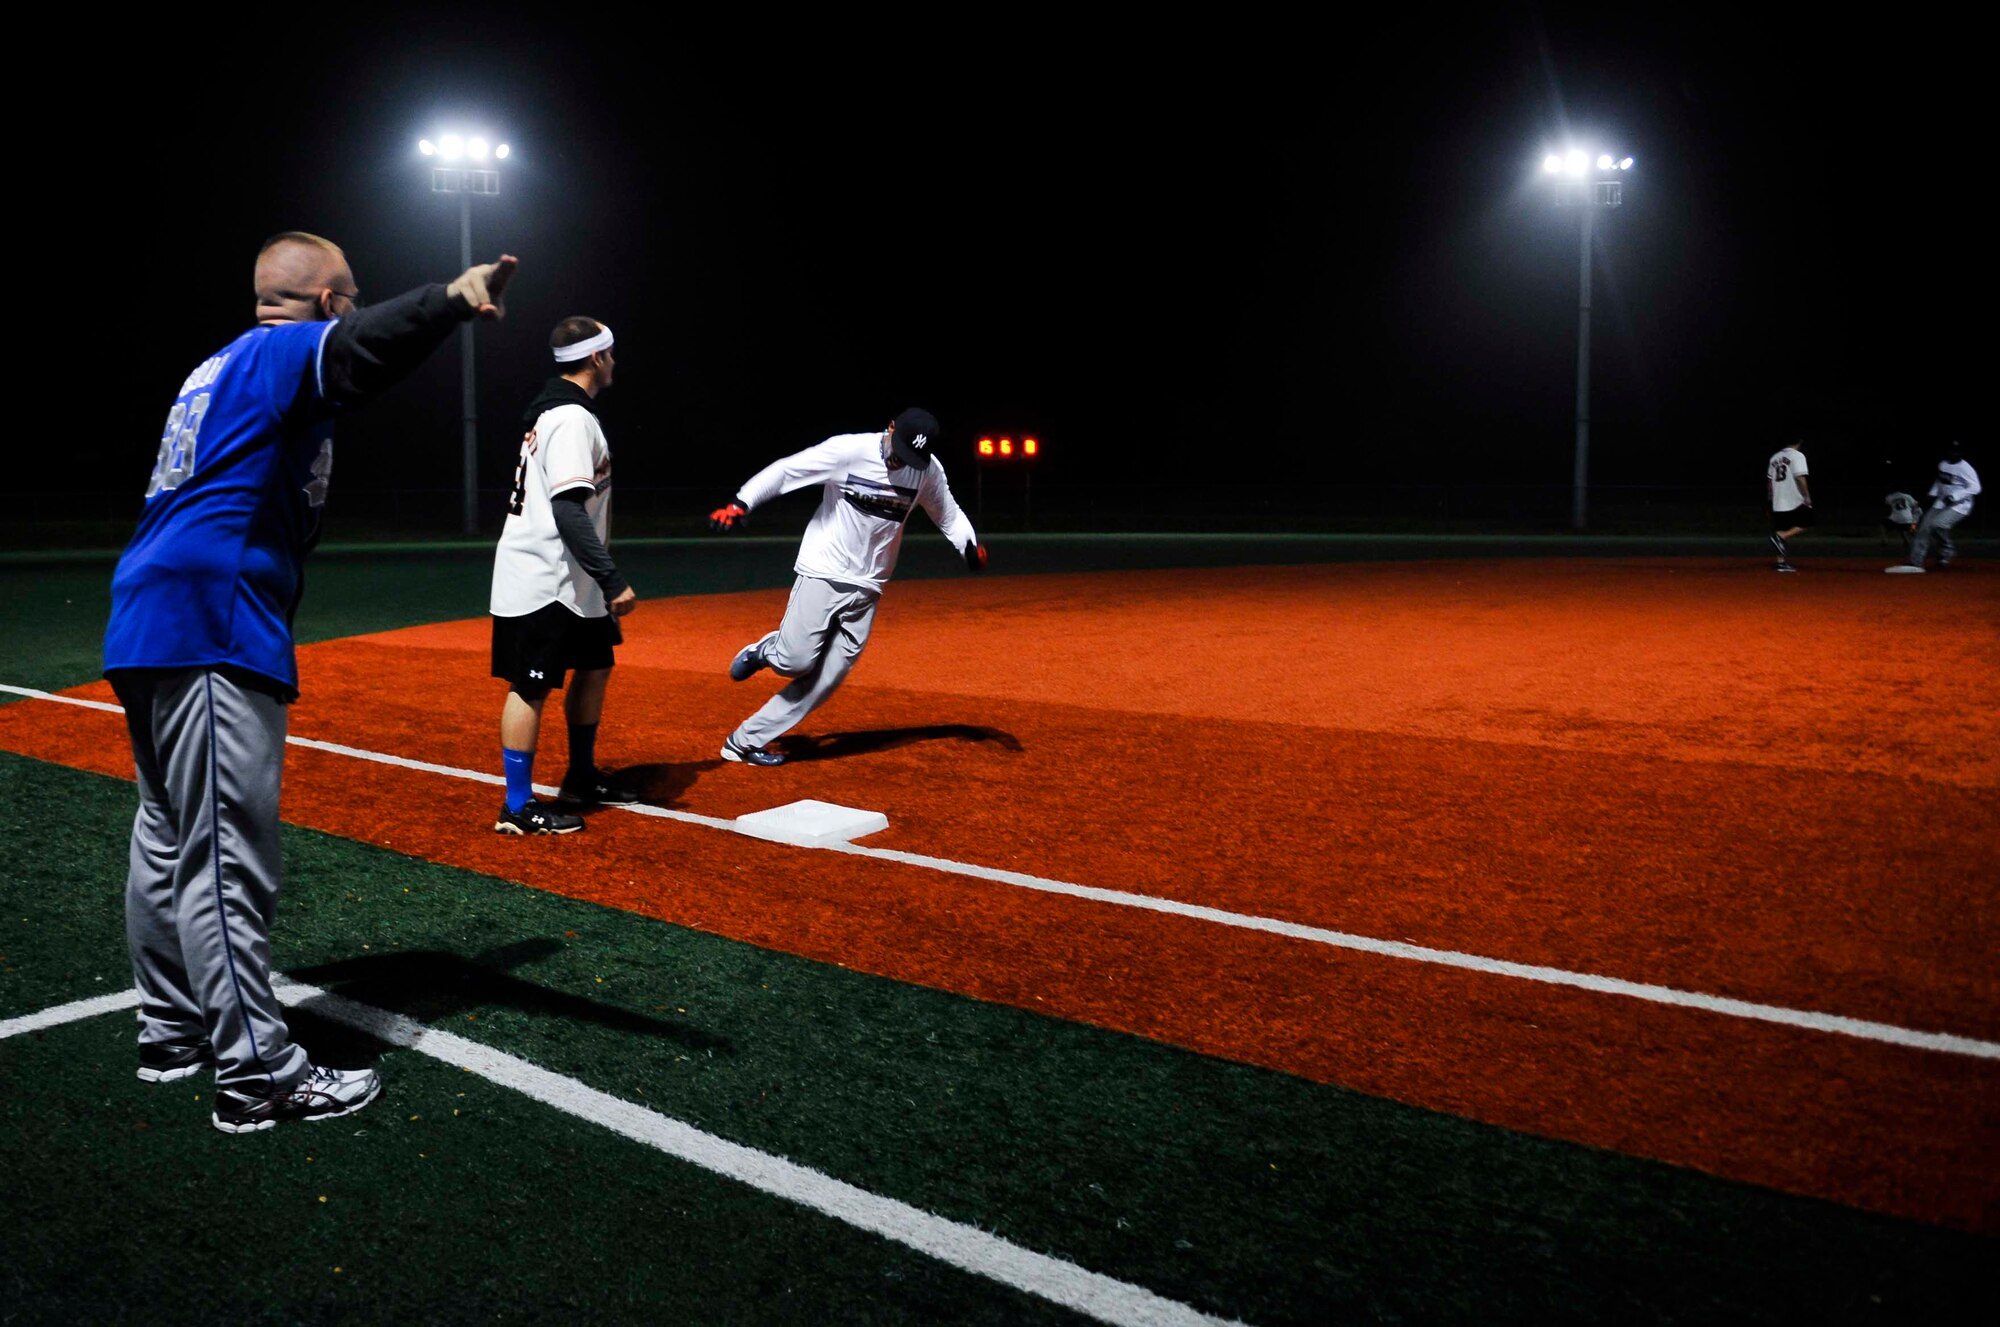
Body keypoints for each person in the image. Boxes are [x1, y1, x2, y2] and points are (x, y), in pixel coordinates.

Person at [102, 232, 517, 1132]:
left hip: (149, 618)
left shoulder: (213, 366)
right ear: (325, 301)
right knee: (223, 853)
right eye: (349, 296)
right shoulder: (280, 350)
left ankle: (172, 1026)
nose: (353, 308)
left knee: (168, 835)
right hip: (210, 621)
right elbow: (365, 347)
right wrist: (448, 299)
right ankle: (258, 1076)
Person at [706, 407, 985, 766]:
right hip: (825, 570)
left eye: (912, 457)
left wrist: (968, 546)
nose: (903, 461)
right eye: (900, 450)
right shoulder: (850, 451)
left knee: (826, 678)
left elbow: (948, 514)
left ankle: (743, 741)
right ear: (890, 427)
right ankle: (766, 650)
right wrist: (741, 502)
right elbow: (788, 470)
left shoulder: (927, 471)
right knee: (795, 660)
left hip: (870, 585)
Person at [488, 317, 639, 832]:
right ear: (596, 358)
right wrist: (612, 578)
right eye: (611, 354)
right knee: (530, 686)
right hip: (543, 577)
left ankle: (580, 775)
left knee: (595, 664)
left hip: (572, 580)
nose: (614, 362)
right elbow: (568, 509)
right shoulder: (571, 418)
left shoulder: (557, 414)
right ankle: (516, 806)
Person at [1888, 442, 1981, 573]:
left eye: (1956, 451)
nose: (1953, 453)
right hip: (1941, 502)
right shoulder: (1943, 464)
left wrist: (1955, 496)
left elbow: (1976, 487)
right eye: (1951, 450)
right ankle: (1916, 562)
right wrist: (1932, 493)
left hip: (1960, 505)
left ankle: (1947, 550)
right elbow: (1940, 482)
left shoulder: (1966, 468)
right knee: (1923, 528)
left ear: (1961, 453)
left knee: (1937, 525)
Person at [1766, 439, 1812, 571]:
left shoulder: (1775, 457)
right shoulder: (1798, 456)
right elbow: (1799, 477)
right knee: (1807, 522)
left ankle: (1781, 562)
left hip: (1778, 498)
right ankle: (1781, 537)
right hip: (1794, 499)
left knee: (1781, 527)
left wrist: (1770, 499)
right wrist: (1806, 496)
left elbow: (1769, 481)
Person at [1883, 489, 1922, 555]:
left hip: (1900, 519)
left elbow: (1887, 503)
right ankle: (1914, 542)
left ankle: (1885, 539)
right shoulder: (1908, 497)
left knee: (1898, 526)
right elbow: (1916, 507)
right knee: (1908, 529)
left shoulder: (1890, 497)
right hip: (1909, 519)